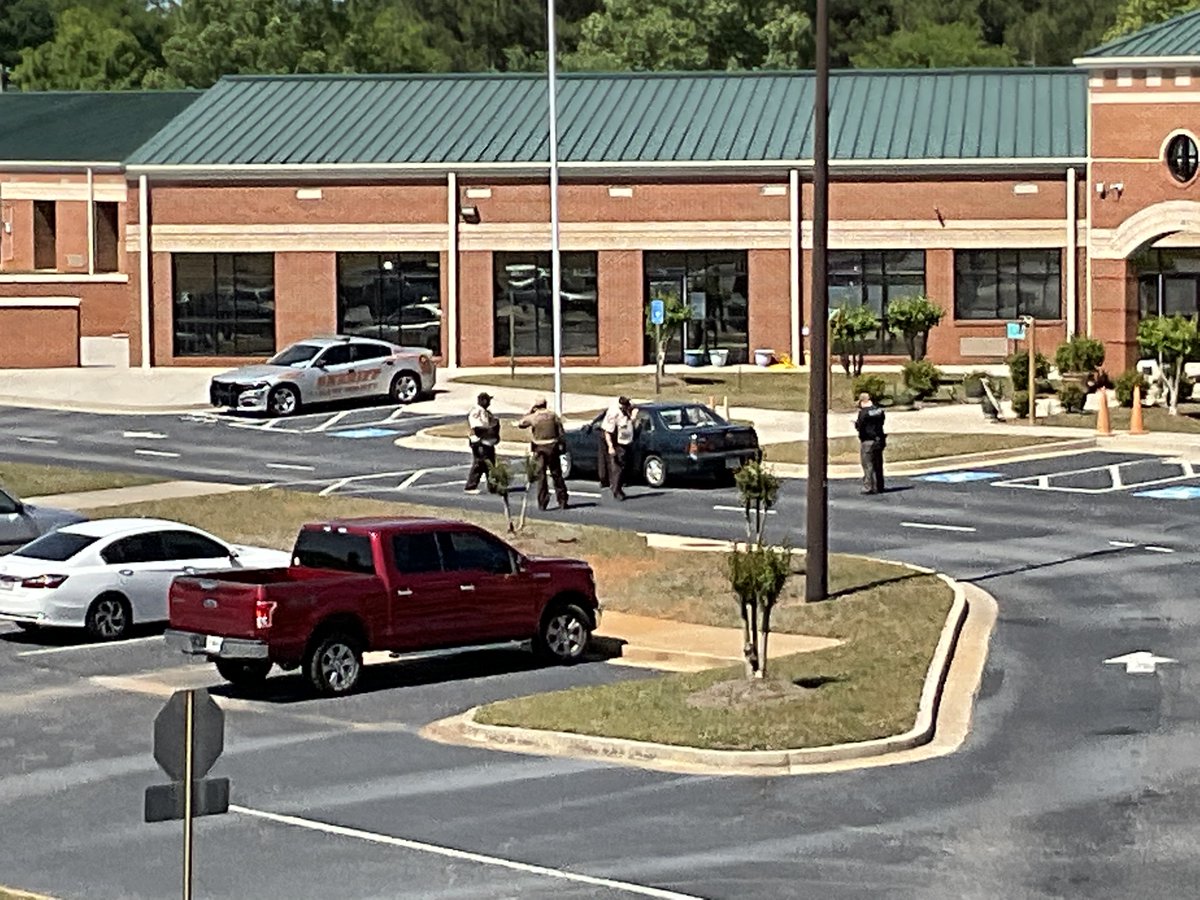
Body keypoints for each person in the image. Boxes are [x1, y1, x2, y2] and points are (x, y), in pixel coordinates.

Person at [518, 398, 569, 510]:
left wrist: (530, 411)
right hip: (553, 447)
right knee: (556, 474)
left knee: (541, 476)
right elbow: (561, 432)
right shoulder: (553, 416)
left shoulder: (534, 417)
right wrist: (562, 446)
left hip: (540, 448)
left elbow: (521, 423)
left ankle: (542, 502)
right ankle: (562, 500)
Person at [599, 395, 637, 500]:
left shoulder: (629, 408)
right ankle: (616, 490)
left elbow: (634, 407)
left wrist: (633, 414)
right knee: (617, 466)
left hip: (626, 439)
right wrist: (610, 447)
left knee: (625, 464)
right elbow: (607, 432)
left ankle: (618, 487)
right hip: (615, 438)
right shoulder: (613, 413)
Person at [464, 392, 500, 492]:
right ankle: (470, 486)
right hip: (479, 442)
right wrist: (490, 432)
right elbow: (477, 429)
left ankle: (493, 486)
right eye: (488, 400)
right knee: (479, 464)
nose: (489, 403)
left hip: (488, 442)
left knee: (490, 464)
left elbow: (492, 423)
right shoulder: (476, 412)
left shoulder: (486, 412)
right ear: (484, 401)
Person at [854, 391, 886, 495]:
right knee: (878, 464)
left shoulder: (863, 413)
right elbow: (882, 422)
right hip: (879, 439)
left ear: (863, 401)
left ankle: (869, 486)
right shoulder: (879, 410)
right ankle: (879, 485)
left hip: (868, 441)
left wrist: (856, 426)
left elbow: (860, 426)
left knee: (868, 465)